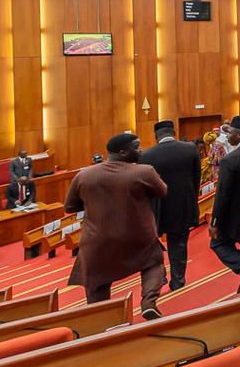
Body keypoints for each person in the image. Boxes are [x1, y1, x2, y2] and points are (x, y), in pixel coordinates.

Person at [65, 133, 167, 321]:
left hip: (97, 239)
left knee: (97, 281)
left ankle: (100, 319)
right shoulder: (144, 171)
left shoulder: (84, 175)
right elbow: (162, 191)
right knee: (154, 263)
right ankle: (148, 302)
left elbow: (70, 207)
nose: (141, 150)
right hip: (138, 235)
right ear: (122, 152)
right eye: (136, 147)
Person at [140, 119, 201, 291]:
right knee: (179, 243)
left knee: (154, 243)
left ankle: (160, 276)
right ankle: (178, 281)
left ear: (156, 136)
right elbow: (196, 179)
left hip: (157, 208)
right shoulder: (190, 149)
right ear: (174, 132)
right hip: (182, 205)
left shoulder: (146, 155)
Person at [209, 116, 240, 294]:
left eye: (230, 132)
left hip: (235, 214)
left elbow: (222, 194)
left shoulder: (230, 160)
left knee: (217, 243)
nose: (227, 135)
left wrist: (215, 221)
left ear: (239, 134)